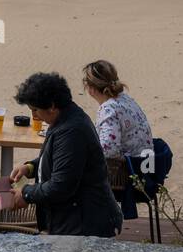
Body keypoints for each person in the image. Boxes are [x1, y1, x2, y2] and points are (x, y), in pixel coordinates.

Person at [9, 72, 122, 238]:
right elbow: (61, 158)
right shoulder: (66, 117)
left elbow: (61, 186)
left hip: (85, 225)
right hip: (74, 221)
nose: (34, 116)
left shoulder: (72, 131)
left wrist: (26, 193)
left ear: (52, 106)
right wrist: (30, 167)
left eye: (35, 110)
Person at [81, 60, 153, 160]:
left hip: (131, 168)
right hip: (146, 162)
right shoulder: (125, 99)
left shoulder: (108, 109)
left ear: (91, 89)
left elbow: (109, 150)